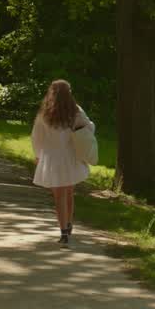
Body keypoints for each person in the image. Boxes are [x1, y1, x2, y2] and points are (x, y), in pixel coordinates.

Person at [31, 80, 94, 246]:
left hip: (52, 158)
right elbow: (89, 128)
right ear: (69, 93)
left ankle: (64, 232)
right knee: (69, 192)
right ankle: (69, 225)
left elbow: (36, 137)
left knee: (59, 195)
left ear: (51, 93)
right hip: (71, 157)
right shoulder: (75, 111)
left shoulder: (44, 113)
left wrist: (38, 156)